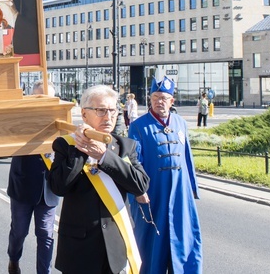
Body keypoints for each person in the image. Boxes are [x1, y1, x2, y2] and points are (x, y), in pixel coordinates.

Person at [49, 84, 149, 274]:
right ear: (84, 114)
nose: (108, 116)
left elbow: (141, 184)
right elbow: (58, 186)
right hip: (80, 248)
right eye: (101, 110)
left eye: (113, 110)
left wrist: (105, 156)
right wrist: (81, 148)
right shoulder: (66, 145)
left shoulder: (124, 146)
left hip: (116, 245)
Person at [128, 77, 202, 274]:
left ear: (172, 101)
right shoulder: (138, 126)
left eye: (164, 98)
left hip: (179, 193)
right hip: (154, 192)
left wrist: (192, 188)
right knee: (152, 242)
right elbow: (134, 161)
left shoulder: (180, 123)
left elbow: (187, 156)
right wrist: (137, 191)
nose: (159, 101)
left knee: (184, 238)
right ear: (150, 99)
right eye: (155, 97)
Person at [7, 80, 60, 274]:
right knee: (19, 232)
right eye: (40, 97)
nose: (44, 102)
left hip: (49, 187)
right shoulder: (21, 118)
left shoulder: (61, 119)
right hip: (23, 184)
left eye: (49, 98)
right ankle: (13, 259)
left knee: (46, 234)